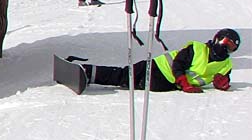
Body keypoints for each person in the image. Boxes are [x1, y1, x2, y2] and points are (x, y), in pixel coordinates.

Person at [77, 29, 240, 92]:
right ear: (217, 39)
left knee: (125, 78)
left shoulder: (226, 65)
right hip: (157, 68)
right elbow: (178, 64)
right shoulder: (197, 48)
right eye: (226, 43)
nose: (227, 49)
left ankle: (88, 73)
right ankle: (88, 73)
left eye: (232, 47)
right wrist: (184, 82)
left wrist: (223, 84)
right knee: (124, 76)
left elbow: (224, 81)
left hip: (163, 84)